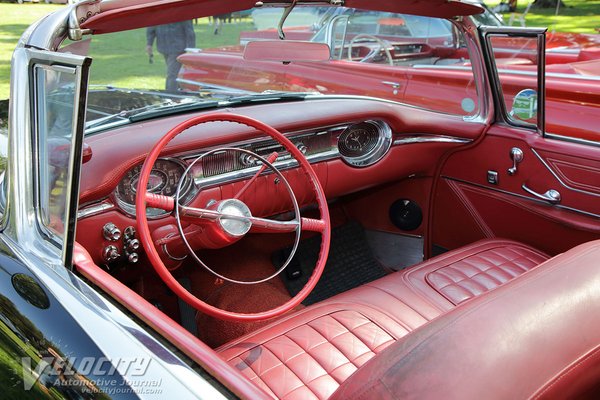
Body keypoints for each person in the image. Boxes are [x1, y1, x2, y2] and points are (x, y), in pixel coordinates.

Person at [146, 21, 196, 93]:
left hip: (178, 47)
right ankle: (175, 93)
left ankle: (171, 95)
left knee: (172, 74)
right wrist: (149, 44)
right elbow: (151, 27)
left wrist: (190, 48)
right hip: (164, 46)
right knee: (174, 73)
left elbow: (189, 30)